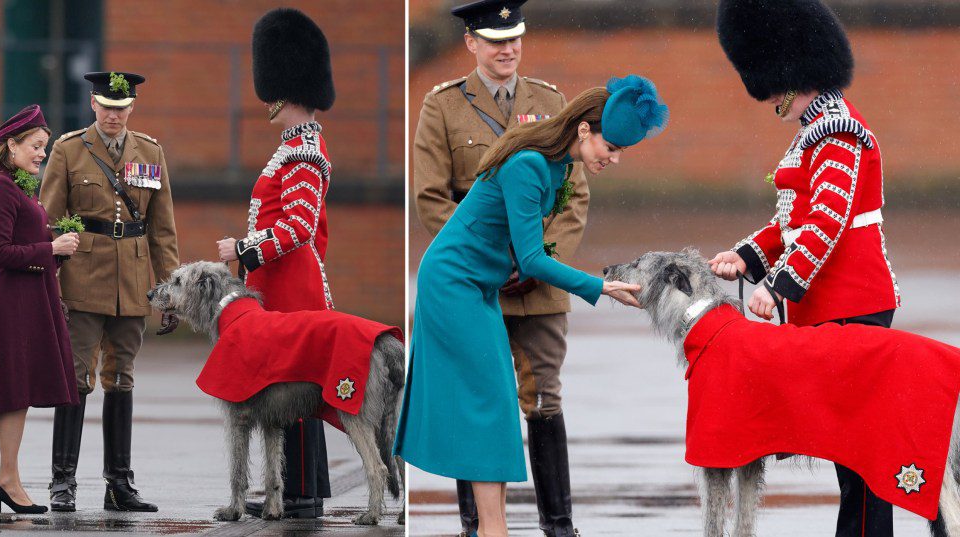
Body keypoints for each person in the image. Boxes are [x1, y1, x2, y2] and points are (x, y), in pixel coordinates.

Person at [397, 75, 669, 536]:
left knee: (497, 406)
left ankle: (492, 527)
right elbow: (531, 259)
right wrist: (599, 287)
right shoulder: (528, 164)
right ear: (584, 130)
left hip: (477, 285)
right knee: (488, 406)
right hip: (452, 284)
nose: (614, 158)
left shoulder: (561, 166)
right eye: (612, 146)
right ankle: (492, 529)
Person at [709, 1, 901, 535]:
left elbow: (827, 223)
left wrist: (778, 284)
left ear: (792, 76)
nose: (772, 102)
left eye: (774, 95)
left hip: (854, 303)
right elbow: (790, 222)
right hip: (830, 304)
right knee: (849, 449)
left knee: (860, 451)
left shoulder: (839, 131)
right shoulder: (815, 128)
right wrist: (745, 257)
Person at [412, 1, 590, 534]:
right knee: (473, 399)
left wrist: (542, 261)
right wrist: (492, 257)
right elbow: (431, 197)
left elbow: (573, 196)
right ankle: (476, 524)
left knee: (545, 398)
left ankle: (558, 525)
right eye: (495, 39)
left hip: (537, 283)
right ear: (471, 43)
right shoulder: (442, 107)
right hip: (474, 282)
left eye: (515, 38)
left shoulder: (551, 102)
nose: (508, 48)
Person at [40, 71, 179, 512]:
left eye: (122, 108)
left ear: (131, 108)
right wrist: (50, 276)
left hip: (133, 281)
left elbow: (163, 229)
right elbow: (49, 216)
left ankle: (119, 484)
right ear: (93, 105)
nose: (114, 115)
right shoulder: (67, 149)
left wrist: (170, 288)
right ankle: (63, 481)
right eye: (107, 106)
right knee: (76, 378)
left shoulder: (151, 152)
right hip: (83, 277)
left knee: (121, 378)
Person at [215, 8, 335, 519]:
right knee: (280, 383)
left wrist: (243, 251)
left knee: (296, 385)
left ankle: (303, 489)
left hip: (293, 287)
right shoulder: (290, 146)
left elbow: (299, 229)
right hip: (279, 284)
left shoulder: (304, 151)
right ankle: (292, 487)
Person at [0, 104, 81, 513]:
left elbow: (22, 241)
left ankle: (8, 479)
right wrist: (50, 247)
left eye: (44, 147)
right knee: (11, 391)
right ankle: (7, 480)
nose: (41, 154)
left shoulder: (16, 185)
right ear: (11, 145)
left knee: (17, 392)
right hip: (11, 302)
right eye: (35, 146)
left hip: (27, 299)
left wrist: (57, 245)